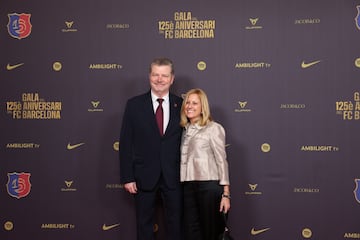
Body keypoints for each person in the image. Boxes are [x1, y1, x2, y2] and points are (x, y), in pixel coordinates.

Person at [119, 58, 183, 240]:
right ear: (149, 77)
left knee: (176, 226)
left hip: (175, 177)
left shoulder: (183, 105)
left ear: (172, 79)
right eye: (156, 74)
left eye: (164, 75)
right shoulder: (134, 105)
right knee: (144, 226)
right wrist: (127, 177)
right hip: (143, 176)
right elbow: (125, 143)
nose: (160, 79)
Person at [180, 88, 231, 240]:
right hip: (188, 187)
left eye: (195, 103)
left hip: (209, 187)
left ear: (203, 108)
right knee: (191, 232)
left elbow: (222, 161)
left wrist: (226, 194)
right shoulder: (183, 130)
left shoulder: (214, 128)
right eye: (187, 102)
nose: (189, 106)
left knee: (211, 233)